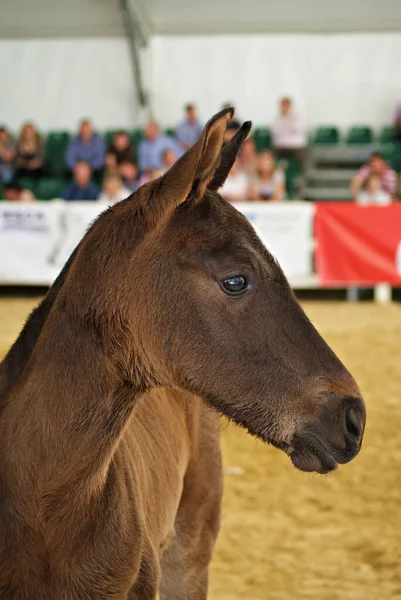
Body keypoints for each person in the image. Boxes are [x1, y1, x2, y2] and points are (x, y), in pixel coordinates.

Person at [271, 97, 307, 172]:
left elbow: (297, 130)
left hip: (295, 147)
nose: (284, 108)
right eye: (282, 106)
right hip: (281, 147)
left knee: (302, 157)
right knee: (270, 156)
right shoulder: (277, 119)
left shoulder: (297, 118)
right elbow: (275, 132)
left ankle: (302, 175)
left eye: (285, 105)